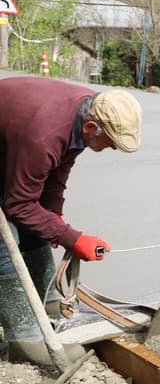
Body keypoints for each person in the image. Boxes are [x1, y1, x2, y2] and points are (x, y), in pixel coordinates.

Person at [0, 77, 142, 364]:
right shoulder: (44, 135)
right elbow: (20, 204)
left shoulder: (90, 111)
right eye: (110, 142)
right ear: (90, 127)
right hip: (20, 140)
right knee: (6, 242)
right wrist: (73, 238)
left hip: (16, 139)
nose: (112, 149)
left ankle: (46, 304)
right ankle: (23, 338)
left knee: (39, 224)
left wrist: (55, 217)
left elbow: (58, 169)